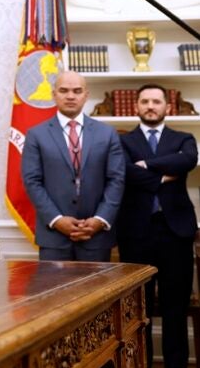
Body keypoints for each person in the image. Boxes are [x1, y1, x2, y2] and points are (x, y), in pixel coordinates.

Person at [117, 84, 200, 368]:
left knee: (175, 306)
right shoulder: (123, 142)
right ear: (135, 106)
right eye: (145, 101)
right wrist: (165, 174)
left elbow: (187, 161)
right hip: (136, 233)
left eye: (156, 101)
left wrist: (148, 167)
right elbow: (125, 172)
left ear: (168, 106)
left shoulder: (184, 139)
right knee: (139, 309)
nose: (150, 106)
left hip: (175, 232)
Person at [21, 70, 125, 261]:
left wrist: (99, 220)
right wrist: (57, 220)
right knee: (55, 291)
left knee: (98, 291)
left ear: (86, 95)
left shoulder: (107, 134)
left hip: (96, 236)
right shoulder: (36, 135)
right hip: (53, 236)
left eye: (77, 91)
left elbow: (116, 180)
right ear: (54, 94)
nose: (70, 96)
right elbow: (32, 181)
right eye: (64, 90)